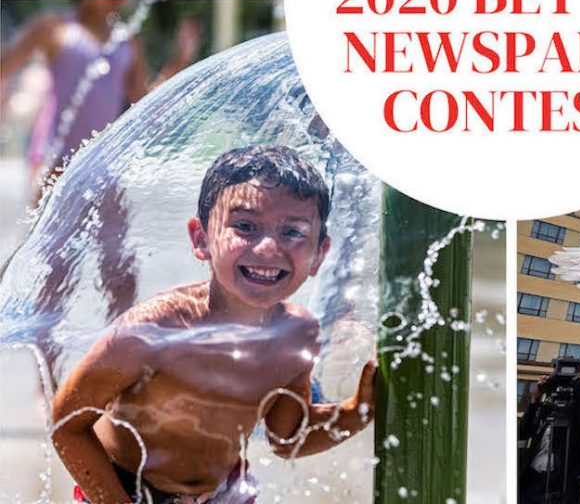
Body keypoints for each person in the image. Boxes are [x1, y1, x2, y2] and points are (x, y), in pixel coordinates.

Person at [51, 146, 375, 504]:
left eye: (293, 231)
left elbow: (287, 438)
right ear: (201, 238)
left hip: (223, 493)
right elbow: (68, 424)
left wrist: (357, 410)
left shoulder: (296, 336)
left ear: (319, 254)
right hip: (124, 491)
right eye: (246, 226)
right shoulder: (154, 331)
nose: (268, 248)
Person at [0, 0, 200, 373]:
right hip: (56, 168)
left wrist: (180, 59)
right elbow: (5, 66)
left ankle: (116, 368)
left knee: (121, 276)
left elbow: (144, 102)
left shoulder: (126, 39)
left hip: (104, 169)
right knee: (54, 277)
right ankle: (48, 377)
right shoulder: (55, 29)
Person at [519, 358, 580, 504]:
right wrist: (536, 398)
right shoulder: (547, 407)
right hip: (532, 481)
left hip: (562, 484)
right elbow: (523, 432)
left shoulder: (579, 411)